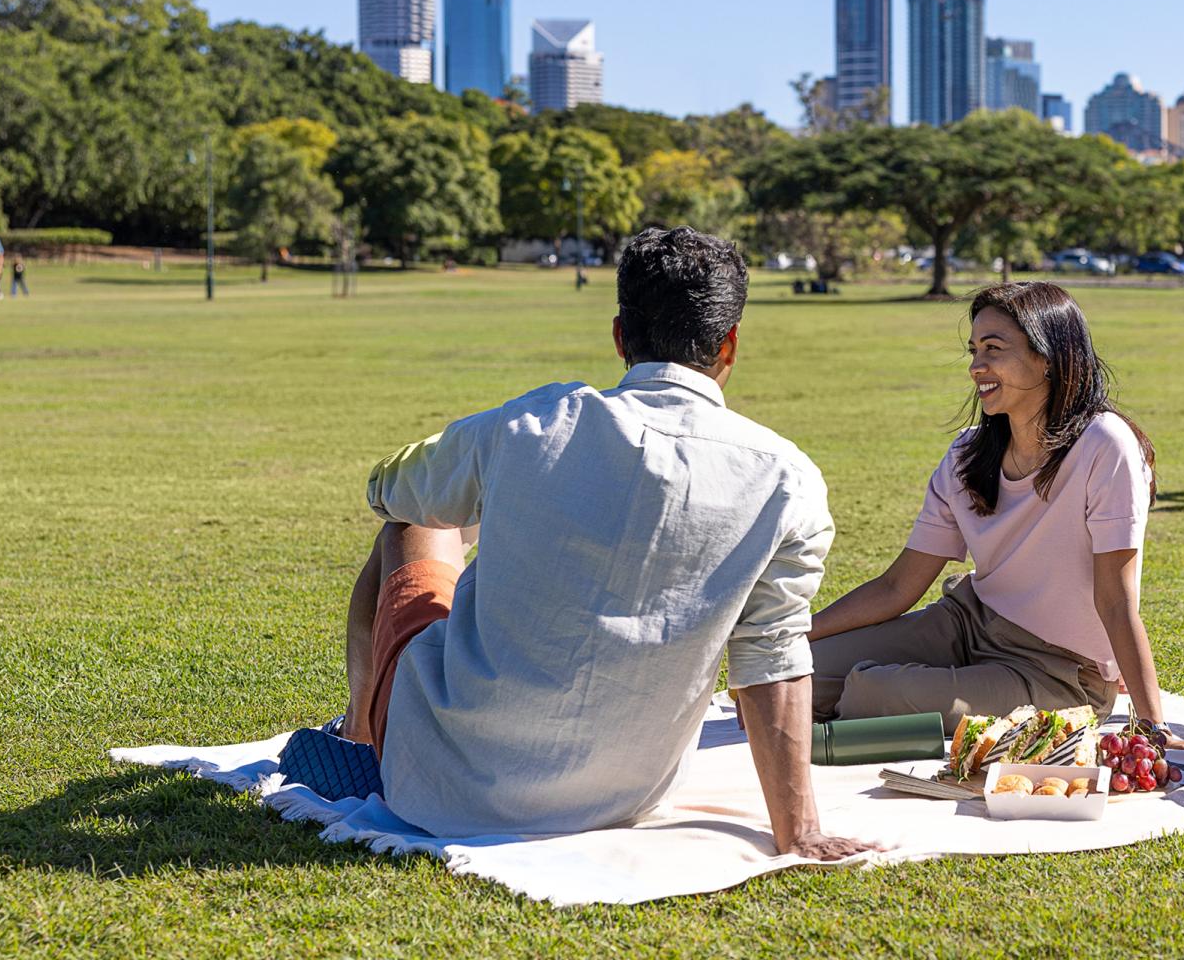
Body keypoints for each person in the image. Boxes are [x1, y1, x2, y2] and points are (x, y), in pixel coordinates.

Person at [337, 226, 870, 856]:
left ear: (620, 335)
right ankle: (365, 732)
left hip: (444, 784)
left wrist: (504, 492)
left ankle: (360, 738)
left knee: (415, 526)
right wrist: (799, 833)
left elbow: (390, 490)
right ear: (729, 344)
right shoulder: (788, 478)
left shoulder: (533, 423)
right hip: (626, 795)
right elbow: (772, 657)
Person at [808, 281, 1173, 734]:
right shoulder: (968, 454)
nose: (976, 367)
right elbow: (898, 586)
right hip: (968, 622)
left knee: (870, 691)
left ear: (1049, 358)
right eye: (974, 350)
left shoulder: (1104, 445)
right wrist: (792, 638)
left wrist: (1154, 728)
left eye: (994, 349)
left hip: (1058, 672)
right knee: (798, 672)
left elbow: (1116, 600)